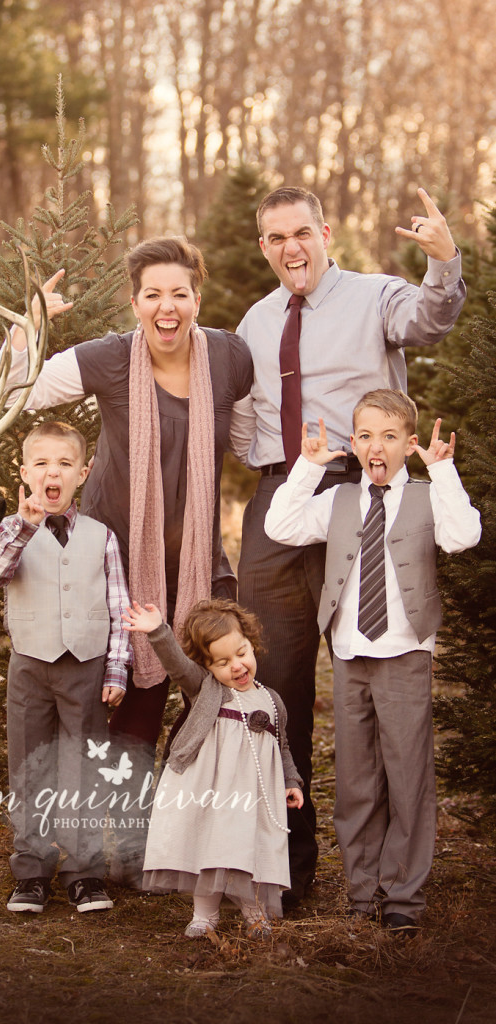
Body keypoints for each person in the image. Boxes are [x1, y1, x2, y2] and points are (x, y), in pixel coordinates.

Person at [229, 185, 466, 909]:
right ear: (263, 247)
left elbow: (429, 321)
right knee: (272, 681)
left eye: (301, 232)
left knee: (376, 682)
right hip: (283, 497)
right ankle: (286, 871)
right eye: (274, 238)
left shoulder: (373, 296)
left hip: (363, 494)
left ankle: (391, 881)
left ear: (324, 231)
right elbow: (243, 416)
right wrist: (265, 472)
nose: (290, 248)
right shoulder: (255, 320)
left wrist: (443, 260)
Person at [3, 237, 254, 886]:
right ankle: (111, 852)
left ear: (197, 298)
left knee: (200, 700)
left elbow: (254, 438)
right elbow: (19, 389)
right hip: (113, 564)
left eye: (179, 293)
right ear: (134, 302)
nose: (166, 307)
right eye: (152, 295)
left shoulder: (226, 358)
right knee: (123, 707)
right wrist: (32, 326)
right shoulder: (111, 359)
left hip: (196, 562)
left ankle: (189, 843)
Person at [264, 389, 481, 935]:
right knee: (357, 778)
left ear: (409, 443)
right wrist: (307, 468)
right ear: (354, 444)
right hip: (350, 653)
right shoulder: (338, 502)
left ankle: (403, 892)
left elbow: (463, 537)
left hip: (405, 651)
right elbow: (279, 528)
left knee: (407, 774)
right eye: (365, 435)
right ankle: (363, 891)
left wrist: (445, 472)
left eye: (389, 436)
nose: (376, 446)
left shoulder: (427, 497)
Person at [0, 420, 132, 915]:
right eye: (42, 463)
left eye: (64, 464)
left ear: (82, 473)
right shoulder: (13, 529)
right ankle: (32, 871)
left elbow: (118, 607)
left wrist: (116, 671)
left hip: (85, 668)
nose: (53, 473)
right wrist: (23, 527)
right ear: (25, 472)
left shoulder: (101, 536)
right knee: (30, 767)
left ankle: (84, 873)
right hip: (30, 666)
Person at [122, 598, 303, 938]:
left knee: (252, 848)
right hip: (212, 790)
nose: (236, 665)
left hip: (254, 795)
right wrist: (159, 632)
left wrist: (291, 781)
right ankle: (205, 914)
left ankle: (255, 912)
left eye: (241, 653)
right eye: (222, 662)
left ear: (252, 644)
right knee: (209, 847)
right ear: (207, 666)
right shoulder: (207, 690)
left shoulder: (271, 700)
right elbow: (177, 666)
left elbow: (283, 747)